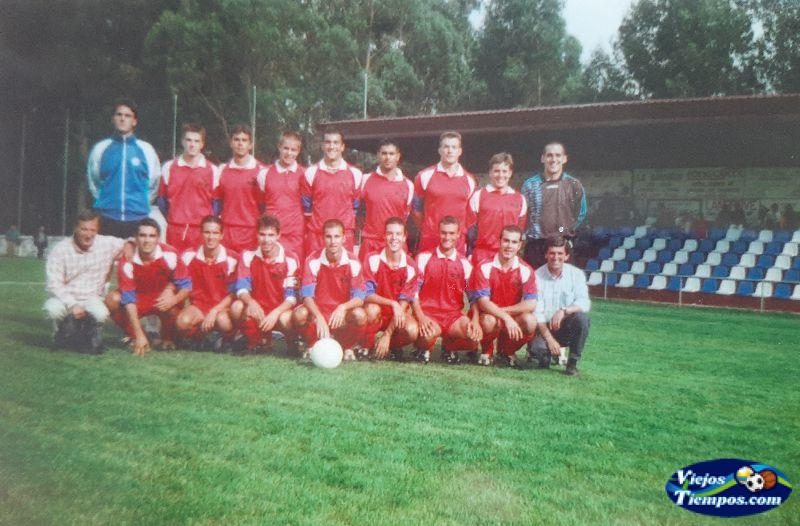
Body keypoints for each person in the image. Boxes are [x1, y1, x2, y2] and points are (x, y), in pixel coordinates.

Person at [44, 210, 127, 354]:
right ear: (76, 228)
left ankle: (88, 337)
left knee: (100, 313)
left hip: (92, 297)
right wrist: (73, 304)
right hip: (66, 297)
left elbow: (130, 243)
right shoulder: (60, 249)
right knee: (53, 309)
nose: (88, 234)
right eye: (84, 229)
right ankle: (61, 334)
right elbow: (54, 284)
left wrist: (130, 248)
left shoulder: (106, 243)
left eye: (92, 230)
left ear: (97, 229)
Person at [107, 218, 192, 356]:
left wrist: (173, 300)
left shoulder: (170, 254)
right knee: (113, 299)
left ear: (158, 238)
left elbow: (186, 285)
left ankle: (168, 337)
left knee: (175, 311)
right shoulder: (128, 259)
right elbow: (129, 299)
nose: (147, 240)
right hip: (138, 298)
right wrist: (139, 333)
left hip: (161, 298)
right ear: (135, 237)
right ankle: (137, 336)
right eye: (142, 235)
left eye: (152, 236)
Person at [293, 219, 367, 361]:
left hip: (340, 316)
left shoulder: (353, 262)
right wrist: (319, 316)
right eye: (329, 237)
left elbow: (359, 297)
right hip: (319, 312)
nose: (333, 241)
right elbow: (307, 296)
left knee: (360, 315)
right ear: (323, 238)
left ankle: (348, 347)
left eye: (337, 236)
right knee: (299, 314)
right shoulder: (312, 260)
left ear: (344, 238)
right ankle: (311, 345)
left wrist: (343, 307)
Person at [86, 100, 161, 238]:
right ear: (113, 119)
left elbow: (154, 183)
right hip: (107, 217)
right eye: (119, 114)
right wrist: (106, 202)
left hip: (137, 218)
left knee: (135, 259)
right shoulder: (100, 149)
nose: (122, 118)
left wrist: (140, 203)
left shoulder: (146, 150)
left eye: (127, 115)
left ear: (134, 121)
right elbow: (94, 181)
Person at [412, 216, 482, 364]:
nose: (447, 237)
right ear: (438, 233)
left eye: (451, 233)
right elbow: (414, 293)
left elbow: (473, 297)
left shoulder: (465, 264)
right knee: (425, 336)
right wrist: (421, 317)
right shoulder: (424, 258)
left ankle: (449, 346)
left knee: (472, 336)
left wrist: (475, 320)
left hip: (453, 317)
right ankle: (423, 348)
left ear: (458, 235)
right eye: (444, 233)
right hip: (429, 314)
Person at [232, 215, 301, 353]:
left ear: (278, 235)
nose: (266, 240)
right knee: (237, 307)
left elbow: (291, 297)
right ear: (256, 235)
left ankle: (292, 343)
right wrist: (251, 302)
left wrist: (276, 312)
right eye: (262, 235)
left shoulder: (291, 258)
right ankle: (256, 342)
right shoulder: (247, 255)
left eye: (271, 235)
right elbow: (241, 288)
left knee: (286, 319)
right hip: (258, 308)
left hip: (280, 309)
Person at [471, 225, 537, 367]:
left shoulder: (525, 270)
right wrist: (505, 317)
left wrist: (505, 314)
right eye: (506, 241)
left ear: (519, 245)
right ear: (499, 241)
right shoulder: (484, 266)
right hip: (489, 316)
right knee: (488, 321)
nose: (509, 246)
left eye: (514, 242)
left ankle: (506, 351)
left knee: (530, 321)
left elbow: (531, 304)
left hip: (510, 316)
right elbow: (483, 302)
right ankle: (487, 350)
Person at [528, 237, 591, 377]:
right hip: (544, 328)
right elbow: (537, 313)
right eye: (552, 253)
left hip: (566, 326)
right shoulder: (536, 276)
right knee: (540, 358)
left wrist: (564, 310)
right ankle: (547, 353)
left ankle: (572, 364)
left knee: (582, 319)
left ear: (566, 256)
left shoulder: (576, 274)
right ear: (546, 255)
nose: (555, 257)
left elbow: (584, 303)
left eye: (560, 253)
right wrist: (549, 340)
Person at [175, 216, 237, 351]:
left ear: (221, 235)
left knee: (224, 322)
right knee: (182, 322)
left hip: (222, 308)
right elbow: (179, 284)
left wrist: (215, 310)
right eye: (207, 232)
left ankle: (227, 339)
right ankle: (202, 337)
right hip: (199, 306)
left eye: (215, 233)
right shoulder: (188, 255)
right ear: (201, 233)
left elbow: (233, 294)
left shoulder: (232, 258)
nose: (211, 237)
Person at [521, 142, 586, 268]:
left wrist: (563, 231)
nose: (553, 159)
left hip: (561, 246)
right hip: (536, 246)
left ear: (564, 158)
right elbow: (523, 214)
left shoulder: (573, 184)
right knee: (534, 287)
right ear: (543, 158)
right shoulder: (529, 185)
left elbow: (581, 213)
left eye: (558, 155)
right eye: (549, 155)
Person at [363, 217, 420, 361]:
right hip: (377, 312)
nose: (394, 238)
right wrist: (391, 303)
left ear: (404, 237)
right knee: (371, 310)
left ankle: (391, 345)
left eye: (398, 234)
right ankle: (366, 345)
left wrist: (387, 334)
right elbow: (367, 294)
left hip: (397, 316)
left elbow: (403, 303)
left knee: (412, 330)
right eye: (390, 233)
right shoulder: (372, 259)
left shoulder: (411, 266)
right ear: (384, 236)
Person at [157, 123, 220, 253]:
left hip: (201, 231)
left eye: (196, 141)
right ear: (182, 141)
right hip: (175, 230)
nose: (192, 144)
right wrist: (176, 218)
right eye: (189, 140)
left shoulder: (212, 170)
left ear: (202, 144)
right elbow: (162, 201)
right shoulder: (169, 167)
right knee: (175, 269)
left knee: (198, 270)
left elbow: (217, 204)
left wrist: (204, 224)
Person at [301, 128, 363, 256]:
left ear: (342, 147)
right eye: (328, 142)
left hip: (344, 237)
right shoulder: (310, 172)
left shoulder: (355, 174)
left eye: (335, 143)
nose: (331, 146)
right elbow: (307, 208)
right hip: (317, 236)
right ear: (323, 146)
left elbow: (355, 207)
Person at [412, 131, 476, 254]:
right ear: (440, 150)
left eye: (454, 147)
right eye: (446, 147)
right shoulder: (424, 176)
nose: (449, 151)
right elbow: (416, 210)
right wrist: (428, 229)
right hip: (430, 240)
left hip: (457, 242)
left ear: (460, 151)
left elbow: (470, 216)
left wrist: (458, 232)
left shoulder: (470, 180)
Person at [359, 139, 414, 262]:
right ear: (378, 155)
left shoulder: (408, 185)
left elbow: (406, 216)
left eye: (391, 154)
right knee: (367, 281)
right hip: (370, 243)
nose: (387, 157)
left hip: (395, 244)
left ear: (398, 156)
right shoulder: (365, 180)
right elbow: (359, 213)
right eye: (384, 153)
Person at [468, 152, 527, 266]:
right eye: (496, 171)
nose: (500, 175)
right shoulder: (479, 195)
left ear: (510, 173)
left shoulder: (520, 199)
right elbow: (469, 229)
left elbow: (520, 232)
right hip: (482, 256)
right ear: (490, 173)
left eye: (504, 171)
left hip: (508, 257)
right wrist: (470, 253)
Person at [257, 131, 306, 264]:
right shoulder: (264, 173)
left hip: (295, 233)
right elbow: (261, 203)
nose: (289, 153)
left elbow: (307, 205)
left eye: (293, 150)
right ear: (279, 147)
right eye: (286, 148)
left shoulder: (304, 174)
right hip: (271, 233)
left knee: (293, 271)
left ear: (298, 151)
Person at [217, 125, 266, 252]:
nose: (240, 144)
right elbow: (218, 203)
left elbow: (264, 205)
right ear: (231, 143)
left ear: (250, 145)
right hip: (227, 231)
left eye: (244, 140)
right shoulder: (222, 170)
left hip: (251, 231)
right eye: (236, 139)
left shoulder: (261, 171)